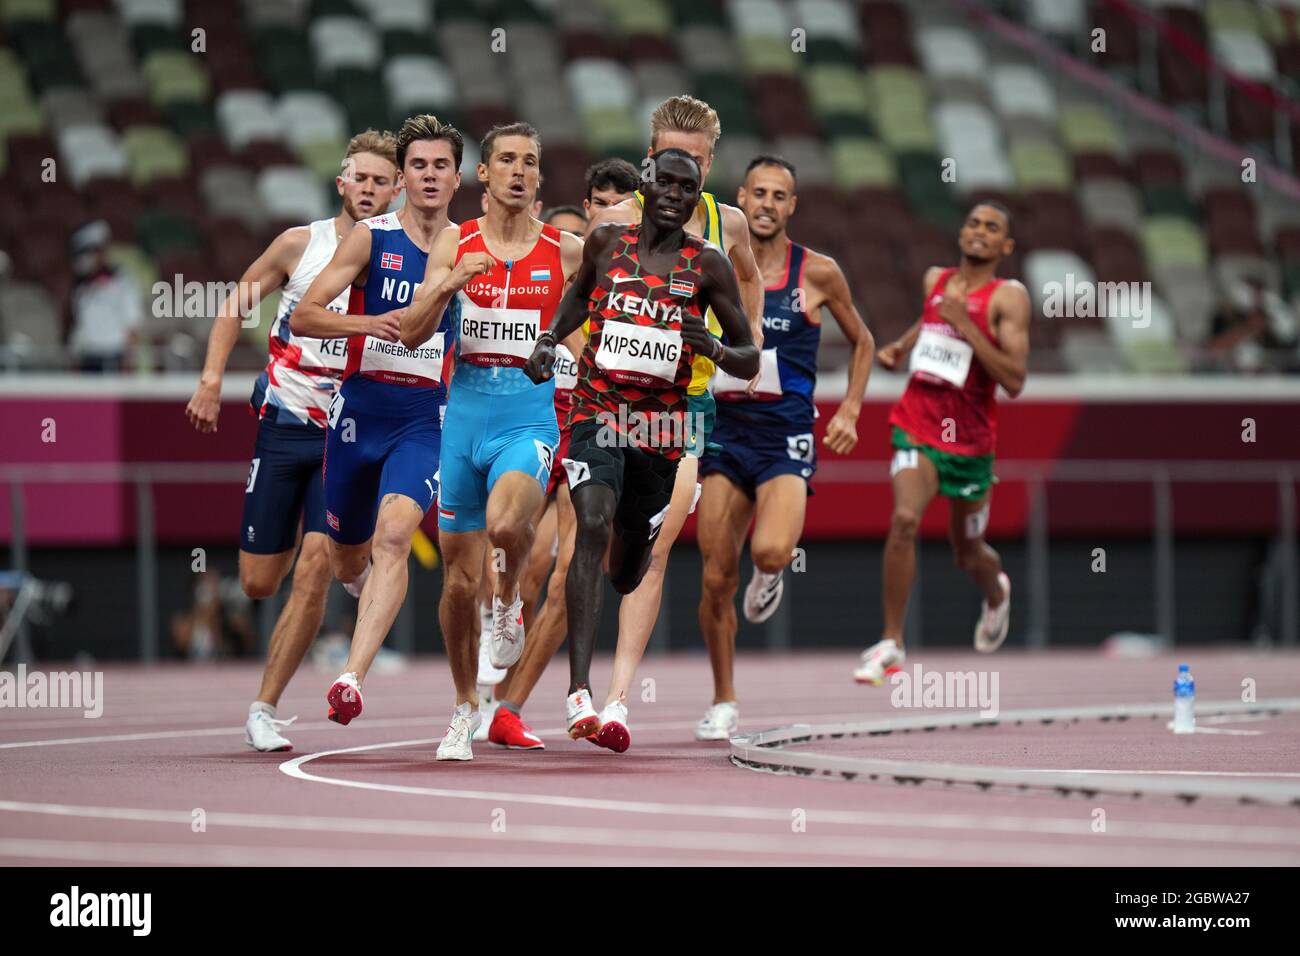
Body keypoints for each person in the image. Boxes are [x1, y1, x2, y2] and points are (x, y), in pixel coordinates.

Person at [523, 147, 758, 747]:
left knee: (627, 570)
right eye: (667, 182)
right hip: (599, 409)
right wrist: (550, 339)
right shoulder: (605, 243)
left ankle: (643, 530)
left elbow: (748, 353)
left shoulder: (707, 265)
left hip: (661, 429)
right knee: (592, 523)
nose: (676, 194)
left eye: (689, 186)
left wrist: (709, 346)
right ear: (646, 185)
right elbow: (577, 297)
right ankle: (580, 692)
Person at [185, 131, 400, 751]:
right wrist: (210, 380)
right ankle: (351, 564)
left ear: (396, 189)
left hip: (350, 434)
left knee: (315, 571)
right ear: (342, 182)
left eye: (381, 181)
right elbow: (233, 305)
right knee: (258, 582)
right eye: (360, 178)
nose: (368, 189)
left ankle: (263, 707)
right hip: (285, 423)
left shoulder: (404, 252)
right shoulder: (299, 245)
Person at [582, 95, 766, 743]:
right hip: (609, 401)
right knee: (594, 540)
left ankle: (617, 703)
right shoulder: (615, 221)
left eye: (690, 160)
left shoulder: (731, 225)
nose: (676, 170)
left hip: (683, 405)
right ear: (648, 158)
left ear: (710, 163)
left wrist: (745, 343)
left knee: (655, 550)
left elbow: (750, 280)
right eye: (666, 158)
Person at [404, 122, 584, 759]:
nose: (516, 170)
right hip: (463, 417)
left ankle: (507, 603)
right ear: (483, 174)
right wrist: (452, 281)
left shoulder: (565, 254)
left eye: (528, 161)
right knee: (456, 583)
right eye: (504, 159)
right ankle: (462, 707)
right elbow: (410, 332)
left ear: (538, 177)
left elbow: (589, 340)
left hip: (528, 418)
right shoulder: (456, 239)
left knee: (509, 528)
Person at [289, 116, 462, 754]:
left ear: (456, 176)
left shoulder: (471, 248)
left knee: (396, 537)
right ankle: (361, 588)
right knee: (345, 559)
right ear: (403, 178)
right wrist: (369, 325)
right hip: (360, 412)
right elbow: (305, 313)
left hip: (426, 416)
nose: (429, 176)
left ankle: (351, 676)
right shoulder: (370, 238)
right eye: (418, 166)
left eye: (440, 166)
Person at [695, 155, 875, 738]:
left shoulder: (817, 273)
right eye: (760, 193)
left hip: (783, 435)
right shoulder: (710, 263)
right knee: (715, 573)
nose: (768, 204)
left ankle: (769, 574)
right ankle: (724, 698)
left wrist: (849, 407)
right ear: (740, 198)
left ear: (792, 205)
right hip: (723, 431)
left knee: (771, 552)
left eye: (781, 196)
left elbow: (863, 340)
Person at [485, 162, 639, 750]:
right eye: (596, 204)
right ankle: (481, 670)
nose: (604, 215)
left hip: (585, 427)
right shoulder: (541, 266)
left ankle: (509, 707)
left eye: (616, 205)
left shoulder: (636, 280)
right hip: (527, 422)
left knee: (568, 569)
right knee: (513, 555)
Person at [854, 201, 1031, 684]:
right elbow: (931, 322)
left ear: (1005, 246)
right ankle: (891, 641)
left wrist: (969, 325)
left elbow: (1014, 379)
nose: (979, 231)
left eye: (992, 228)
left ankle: (995, 591)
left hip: (971, 443)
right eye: (973, 222)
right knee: (906, 519)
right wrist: (902, 346)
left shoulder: (1007, 297)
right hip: (917, 423)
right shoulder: (936, 279)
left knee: (967, 552)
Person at [68, 220, 144, 372]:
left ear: (100, 253)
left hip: (113, 357)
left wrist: (127, 363)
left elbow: (133, 327)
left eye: (88, 253)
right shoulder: (80, 287)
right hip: (87, 357)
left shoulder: (123, 283)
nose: (83, 260)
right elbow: (80, 328)